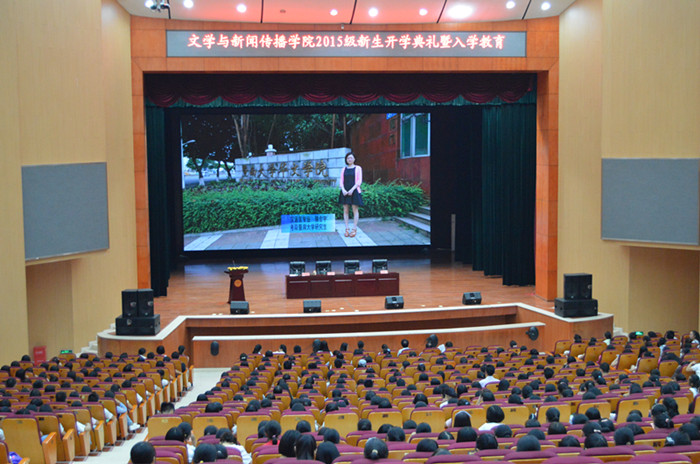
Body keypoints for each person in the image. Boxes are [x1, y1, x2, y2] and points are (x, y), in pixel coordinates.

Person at [338, 152, 363, 238]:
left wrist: (352, 190)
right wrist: (343, 190)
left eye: (351, 158)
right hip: (345, 192)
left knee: (355, 210)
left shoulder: (358, 168)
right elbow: (341, 181)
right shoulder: (343, 169)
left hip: (354, 191)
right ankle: (347, 228)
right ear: (346, 159)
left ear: (354, 159)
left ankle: (354, 229)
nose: (349, 159)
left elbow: (359, 181)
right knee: (345, 210)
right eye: (348, 158)